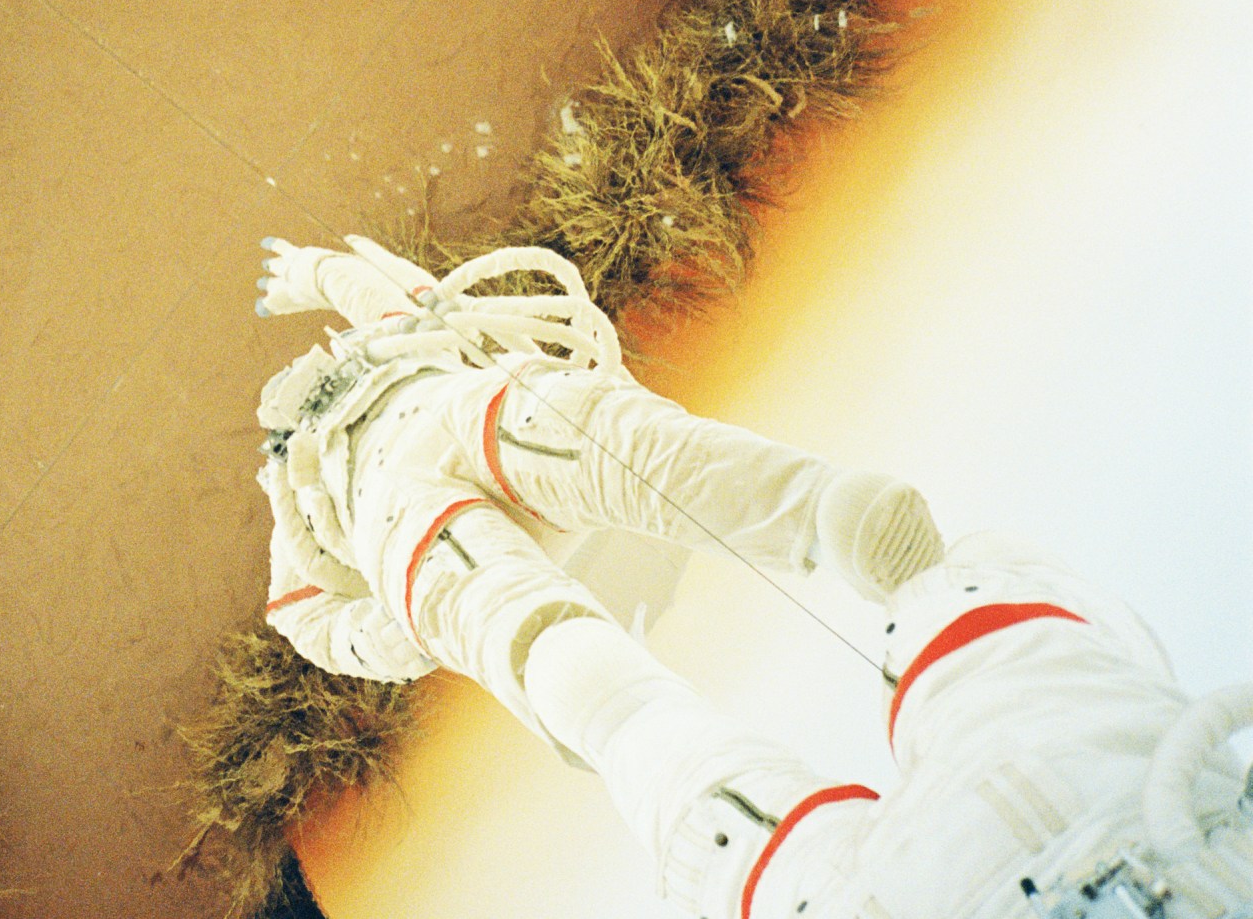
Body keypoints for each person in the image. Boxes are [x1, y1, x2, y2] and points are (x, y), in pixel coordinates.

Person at [253, 236, 1253, 919]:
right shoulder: (312, 464)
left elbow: (302, 608)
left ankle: (872, 578)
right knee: (613, 454)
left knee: (614, 700)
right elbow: (303, 606)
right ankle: (861, 542)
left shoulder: (304, 471)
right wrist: (392, 617)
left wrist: (402, 619)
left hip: (1064, 820)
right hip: (1135, 804)